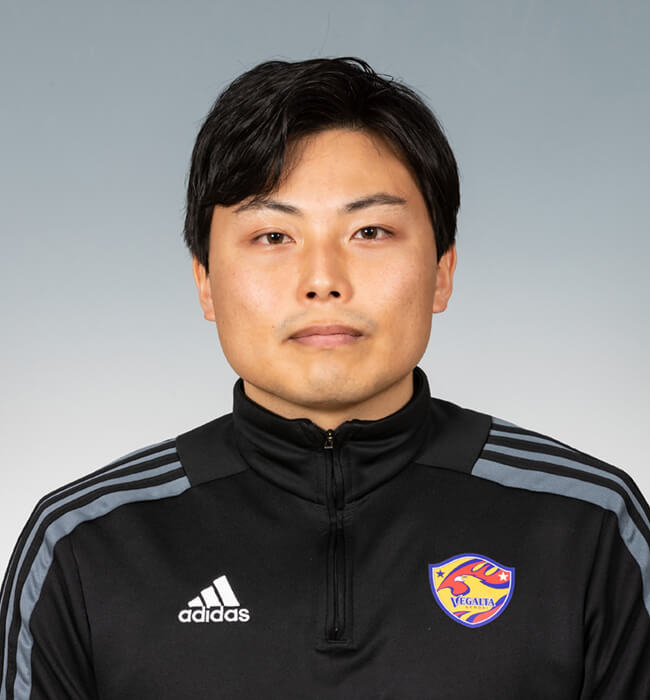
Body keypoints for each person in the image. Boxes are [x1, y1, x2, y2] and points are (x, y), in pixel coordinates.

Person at [1, 56, 648, 700]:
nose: (323, 281)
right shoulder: (81, 546)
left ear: (442, 271)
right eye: (273, 236)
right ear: (205, 281)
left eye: (370, 230)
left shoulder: (591, 525)